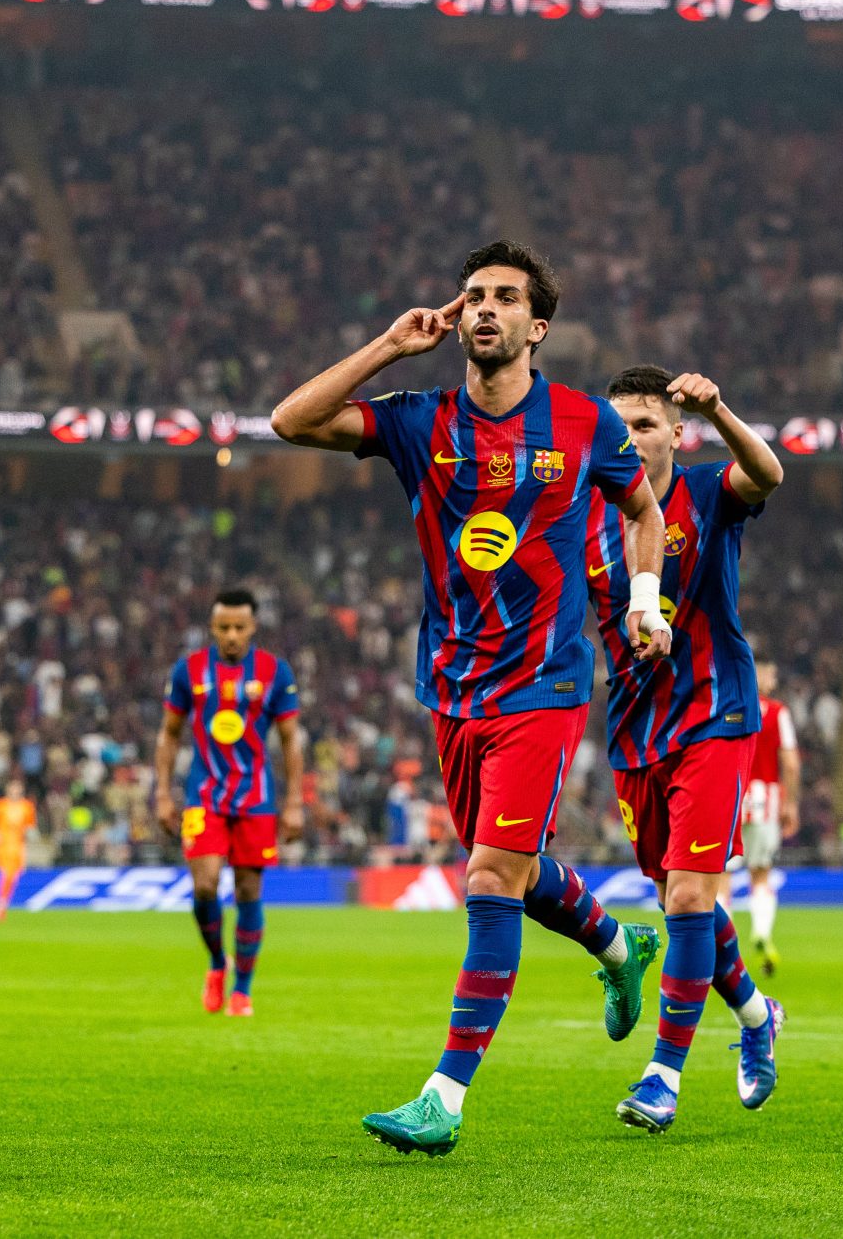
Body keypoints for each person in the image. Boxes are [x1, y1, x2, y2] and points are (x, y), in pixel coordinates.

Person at [272, 239, 673, 1156]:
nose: (483, 308)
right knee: (521, 875)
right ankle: (619, 946)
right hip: (453, 687)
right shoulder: (420, 419)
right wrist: (386, 347)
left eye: (503, 297)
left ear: (537, 326)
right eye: (472, 295)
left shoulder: (581, 423)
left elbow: (643, 507)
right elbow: (290, 422)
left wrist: (644, 601)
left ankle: (443, 1096)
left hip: (545, 683)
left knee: (489, 878)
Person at [586, 364, 786, 1134]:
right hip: (637, 731)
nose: (631, 440)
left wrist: (723, 409)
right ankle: (758, 1015)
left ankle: (663, 1075)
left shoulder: (705, 494)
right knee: (681, 899)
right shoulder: (586, 514)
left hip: (716, 715)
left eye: (645, 424)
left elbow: (768, 473)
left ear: (676, 432)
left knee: (691, 899)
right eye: (619, 427)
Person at [153, 588, 305, 1018]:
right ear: (212, 628)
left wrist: (294, 802)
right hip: (204, 794)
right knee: (204, 885)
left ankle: (242, 989)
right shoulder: (190, 671)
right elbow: (169, 733)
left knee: (248, 890)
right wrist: (163, 793)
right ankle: (218, 962)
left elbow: (291, 740)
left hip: (256, 796)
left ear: (253, 627)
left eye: (240, 627)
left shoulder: (275, 671)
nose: (232, 635)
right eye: (224, 628)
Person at [742, 659, 801, 977]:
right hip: (766, 800)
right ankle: (761, 931)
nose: (775, 678)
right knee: (760, 874)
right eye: (772, 672)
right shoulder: (778, 712)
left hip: (733, 797)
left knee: (720, 875)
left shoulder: (731, 702)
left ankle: (719, 944)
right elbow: (790, 764)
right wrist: (791, 804)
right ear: (761, 673)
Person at [0, 781, 36, 922]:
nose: (15, 792)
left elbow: (30, 827)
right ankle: (0, 905)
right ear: (8, 790)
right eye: (13, 789)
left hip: (19, 847)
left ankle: (1, 905)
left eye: (18, 790)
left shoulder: (27, 807)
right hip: (3, 846)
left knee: (14, 876)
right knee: (8, 874)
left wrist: (28, 843)